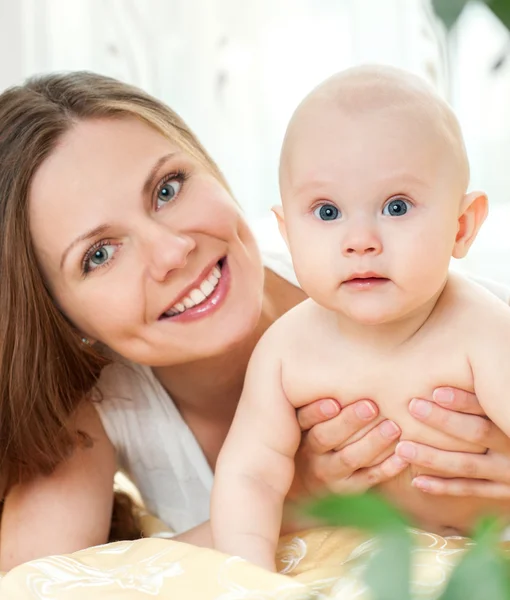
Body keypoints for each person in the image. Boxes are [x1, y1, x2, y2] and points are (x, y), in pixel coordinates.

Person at [0, 71, 509, 573]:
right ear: (58, 313)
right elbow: (35, 580)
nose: (173, 251)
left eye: (168, 188)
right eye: (99, 254)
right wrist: (297, 504)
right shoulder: (111, 404)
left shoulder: (461, 312)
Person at [211, 65, 510, 571]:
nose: (360, 240)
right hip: (362, 551)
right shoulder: (286, 351)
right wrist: (248, 575)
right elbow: (251, 476)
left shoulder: (481, 332)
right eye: (327, 212)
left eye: (396, 206)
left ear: (461, 226)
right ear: (286, 234)